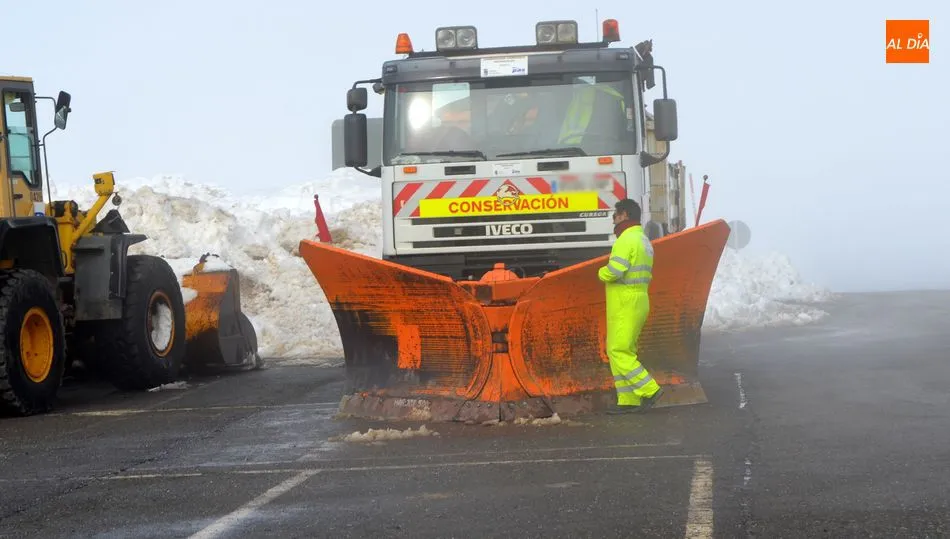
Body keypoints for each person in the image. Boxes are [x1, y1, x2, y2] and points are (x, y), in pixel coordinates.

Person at [597, 198, 664, 414]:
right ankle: (628, 399)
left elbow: (615, 270)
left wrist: (600, 273)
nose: (613, 220)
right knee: (622, 349)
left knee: (617, 350)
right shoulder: (642, 239)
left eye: (615, 215)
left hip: (625, 302)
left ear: (625, 215)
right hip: (636, 300)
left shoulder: (626, 240)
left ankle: (650, 389)